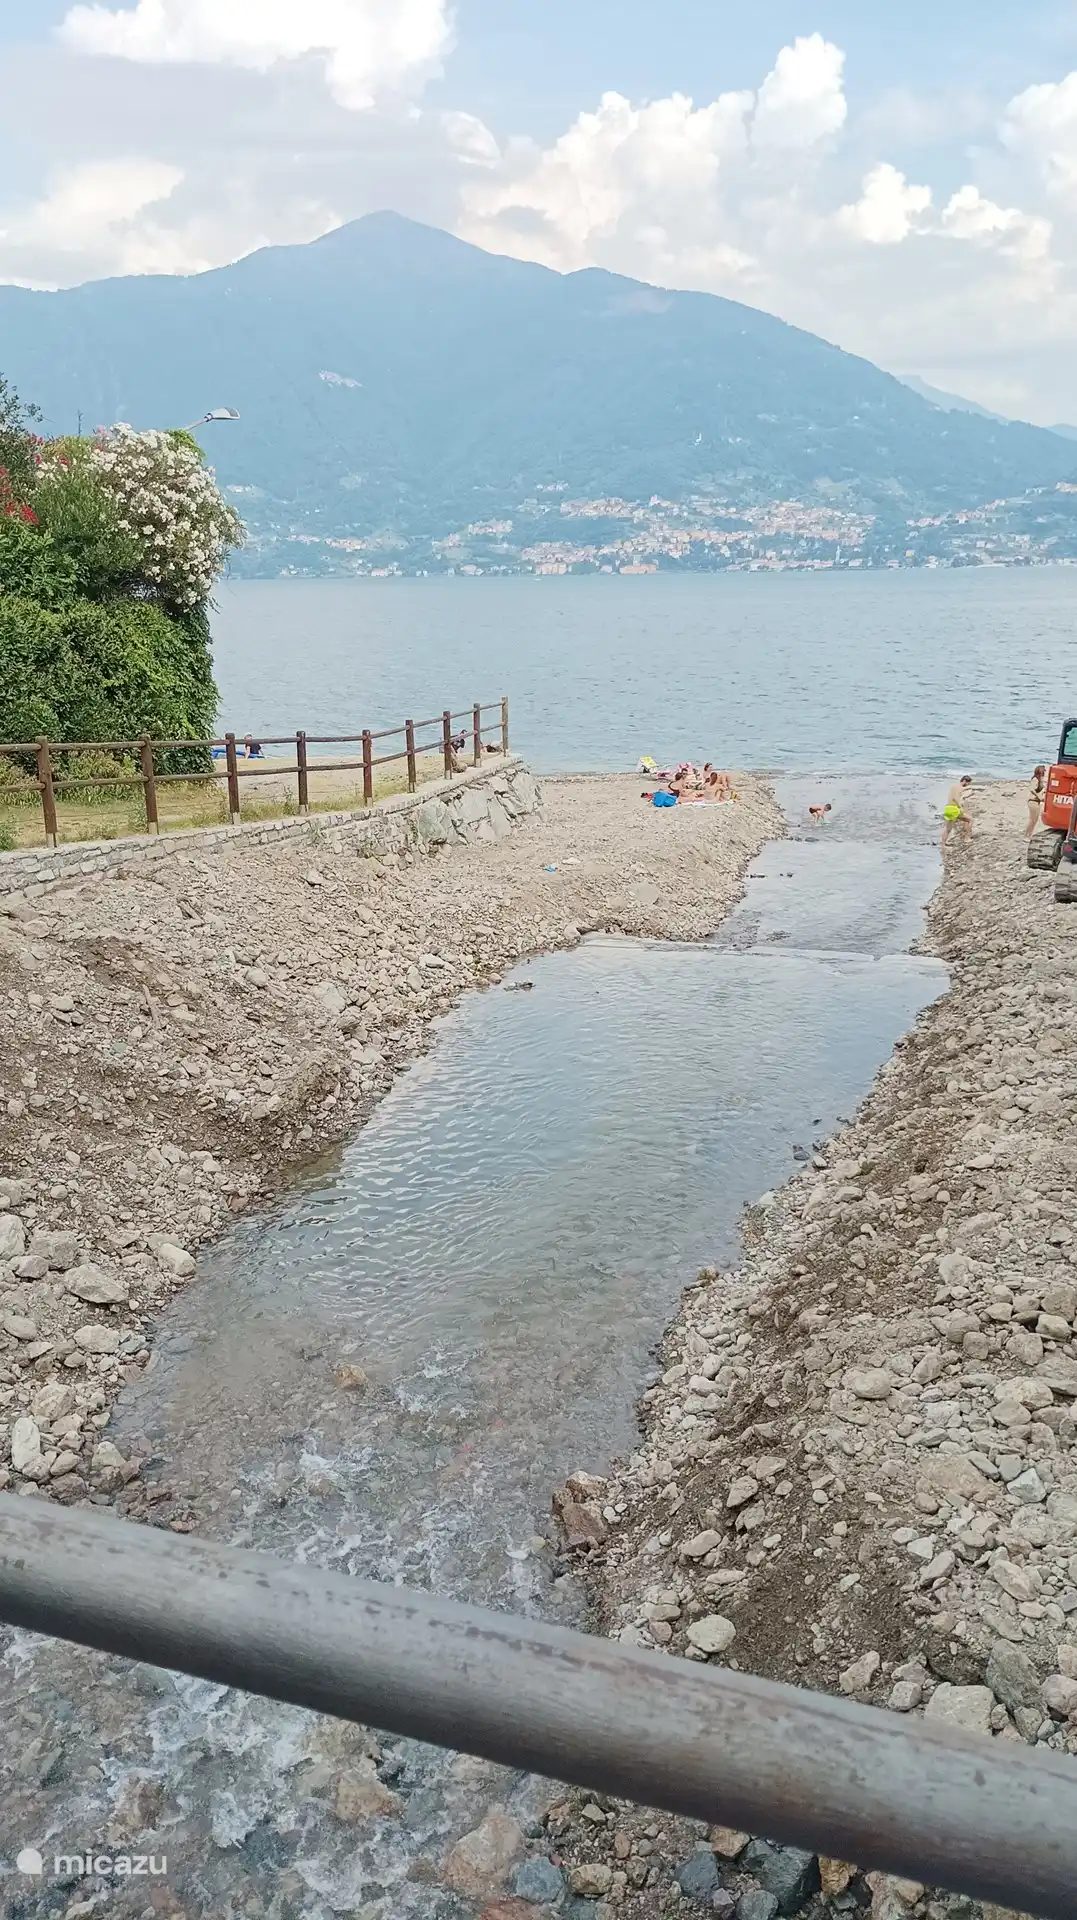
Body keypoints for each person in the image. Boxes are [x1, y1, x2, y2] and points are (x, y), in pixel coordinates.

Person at [942, 775, 974, 847]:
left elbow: (952, 797)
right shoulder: (959, 788)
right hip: (954, 809)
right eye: (968, 783)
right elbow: (955, 798)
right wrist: (960, 807)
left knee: (948, 829)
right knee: (970, 820)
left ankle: (943, 844)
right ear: (964, 781)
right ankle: (967, 838)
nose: (967, 785)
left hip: (948, 808)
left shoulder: (954, 786)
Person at [1027, 764, 1046, 838]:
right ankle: (1027, 835)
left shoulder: (1039, 780)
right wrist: (1039, 796)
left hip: (1036, 801)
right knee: (1032, 820)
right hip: (1033, 801)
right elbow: (1031, 789)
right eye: (1043, 772)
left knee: (1035, 820)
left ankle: (1029, 834)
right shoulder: (1035, 779)